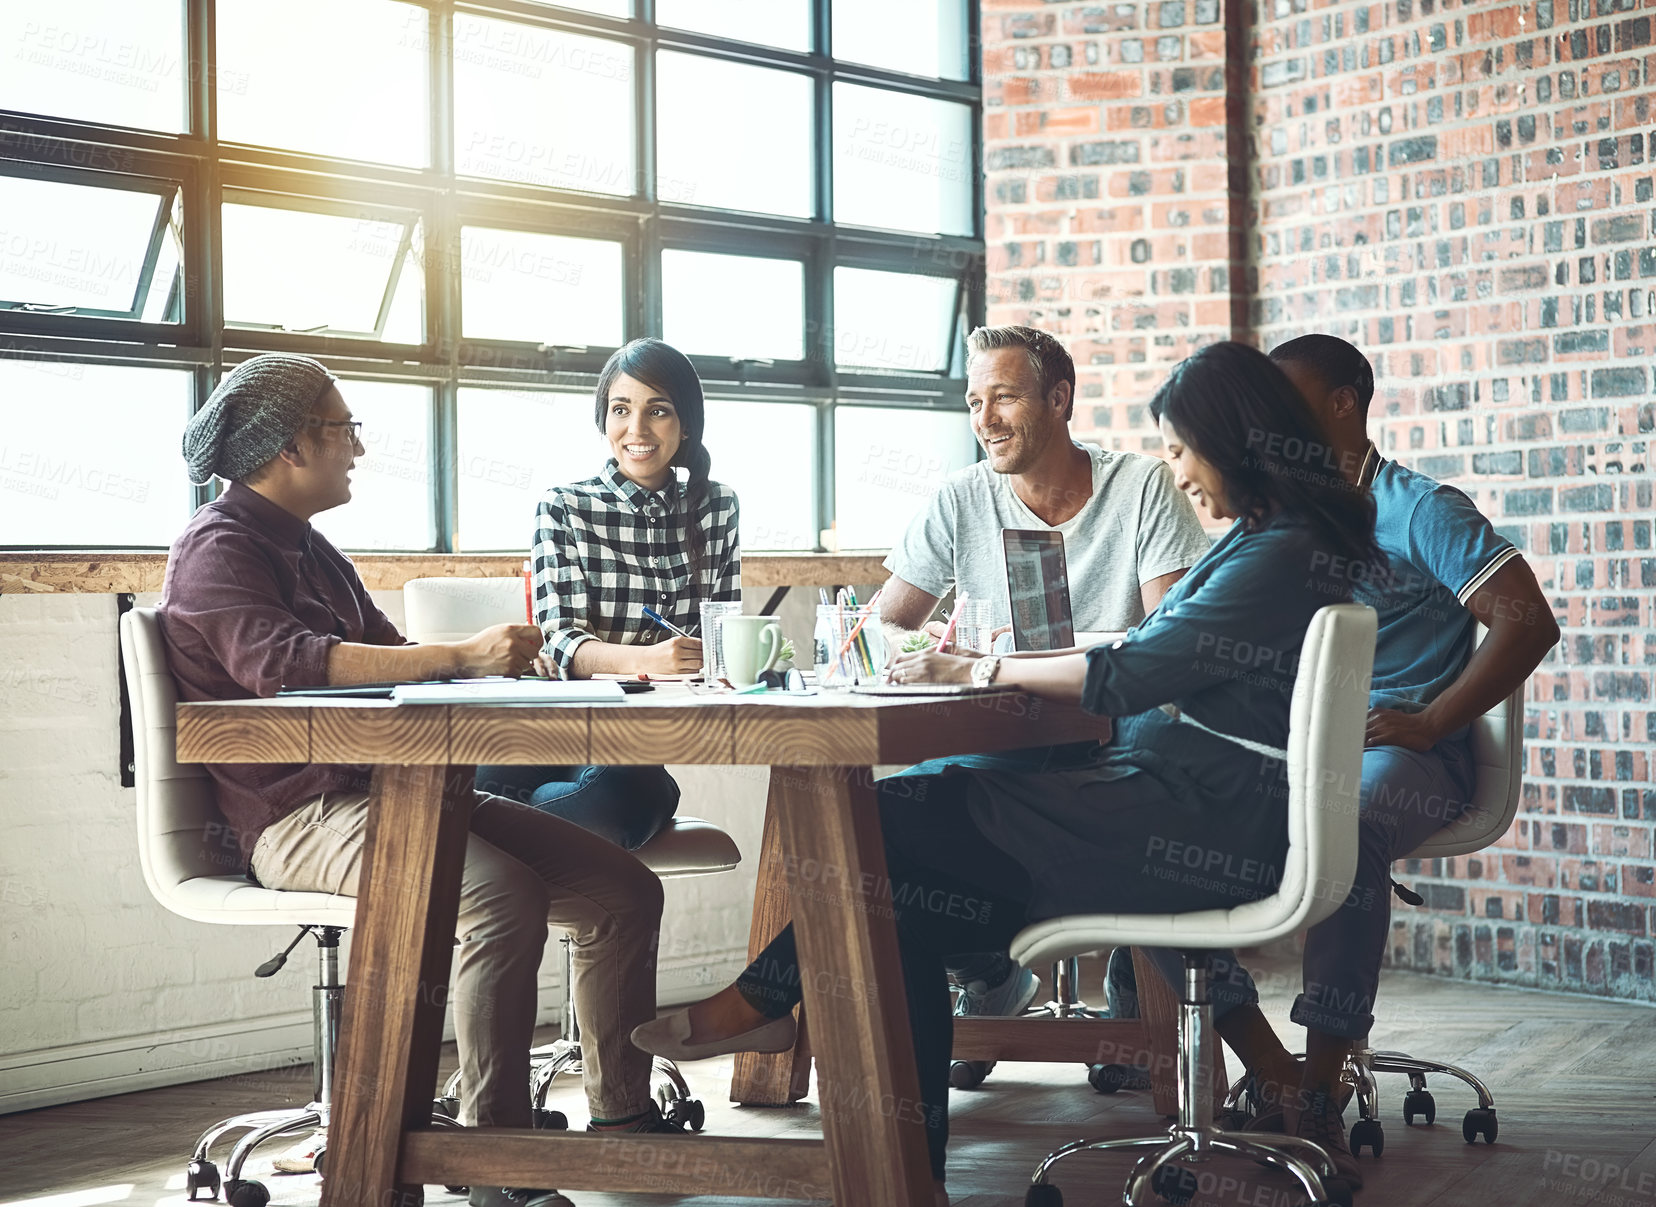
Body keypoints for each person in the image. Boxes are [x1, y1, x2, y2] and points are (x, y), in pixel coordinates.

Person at [631, 342, 1381, 1203]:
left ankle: (761, 1003)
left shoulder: (1274, 553)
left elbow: (1130, 672)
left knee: (884, 819)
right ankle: (911, 1181)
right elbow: (1141, 649)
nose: (1175, 474)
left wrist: (978, 670)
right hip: (1187, 808)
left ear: (1233, 441)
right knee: (898, 897)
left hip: (1189, 820)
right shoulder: (1280, 541)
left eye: (1181, 450)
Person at [159, 354, 686, 1207]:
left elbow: (398, 661)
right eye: (345, 429)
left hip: (402, 794)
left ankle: (620, 1120)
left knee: (620, 888)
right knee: (500, 895)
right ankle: (496, 1160)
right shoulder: (218, 546)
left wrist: (496, 672)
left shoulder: (315, 551)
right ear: (294, 445)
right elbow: (282, 666)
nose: (358, 449)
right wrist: (457, 653)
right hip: (302, 817)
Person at [1136, 334, 1560, 1188]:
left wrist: (1431, 716)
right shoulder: (1267, 526)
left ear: (1342, 403)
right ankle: (1270, 1064)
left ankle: (1321, 1086)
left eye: (1287, 402)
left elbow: (1528, 619)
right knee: (1144, 829)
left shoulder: (1419, 509)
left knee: (1350, 818)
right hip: (1282, 751)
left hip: (1405, 757)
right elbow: (1164, 633)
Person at [879, 323, 1214, 1022]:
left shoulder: (1142, 485)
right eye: (974, 402)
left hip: (1120, 737)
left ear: (1059, 398)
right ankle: (988, 969)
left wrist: (1012, 660)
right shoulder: (962, 498)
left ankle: (1136, 983)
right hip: (1000, 737)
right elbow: (889, 624)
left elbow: (1168, 645)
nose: (985, 420)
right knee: (882, 813)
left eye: (1003, 397)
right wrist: (935, 656)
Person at [475, 338, 740, 851]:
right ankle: (493, 834)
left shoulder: (717, 506)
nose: (636, 430)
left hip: (630, 748)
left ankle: (492, 835)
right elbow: (559, 642)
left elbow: (723, 637)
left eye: (657, 411)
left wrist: (715, 652)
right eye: (621, 410)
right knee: (479, 790)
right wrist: (653, 660)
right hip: (543, 730)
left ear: (686, 424)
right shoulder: (564, 505)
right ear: (603, 421)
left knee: (616, 800)